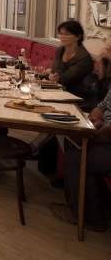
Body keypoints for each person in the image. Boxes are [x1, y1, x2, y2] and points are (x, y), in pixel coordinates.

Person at [50, 88, 111, 232]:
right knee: (72, 142)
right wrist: (91, 122)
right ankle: (88, 204)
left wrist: (92, 135)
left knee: (77, 156)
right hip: (104, 130)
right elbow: (102, 106)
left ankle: (89, 218)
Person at [49, 20, 94, 101]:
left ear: (78, 36)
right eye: (61, 34)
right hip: (58, 91)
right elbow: (54, 71)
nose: (62, 37)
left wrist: (55, 77)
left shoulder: (83, 57)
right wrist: (53, 75)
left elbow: (67, 79)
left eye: (67, 34)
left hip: (76, 96)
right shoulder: (60, 50)